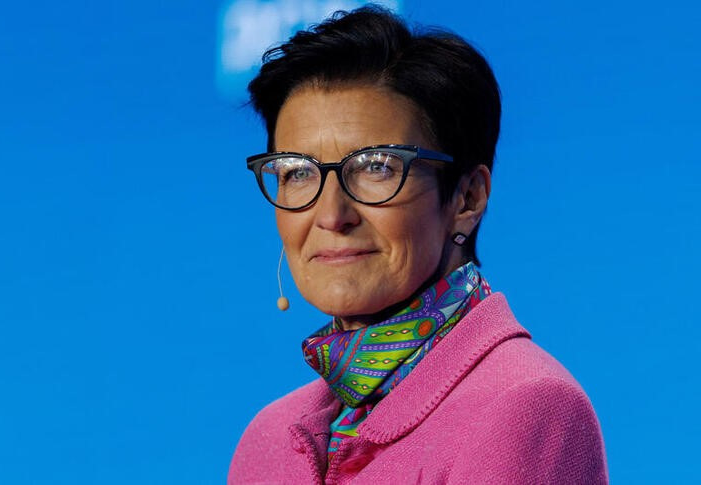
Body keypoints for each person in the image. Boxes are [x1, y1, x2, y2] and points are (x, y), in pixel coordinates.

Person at [229, 6, 608, 484]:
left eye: (376, 167)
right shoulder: (268, 439)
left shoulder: (525, 405)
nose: (330, 216)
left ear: (467, 197)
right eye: (297, 173)